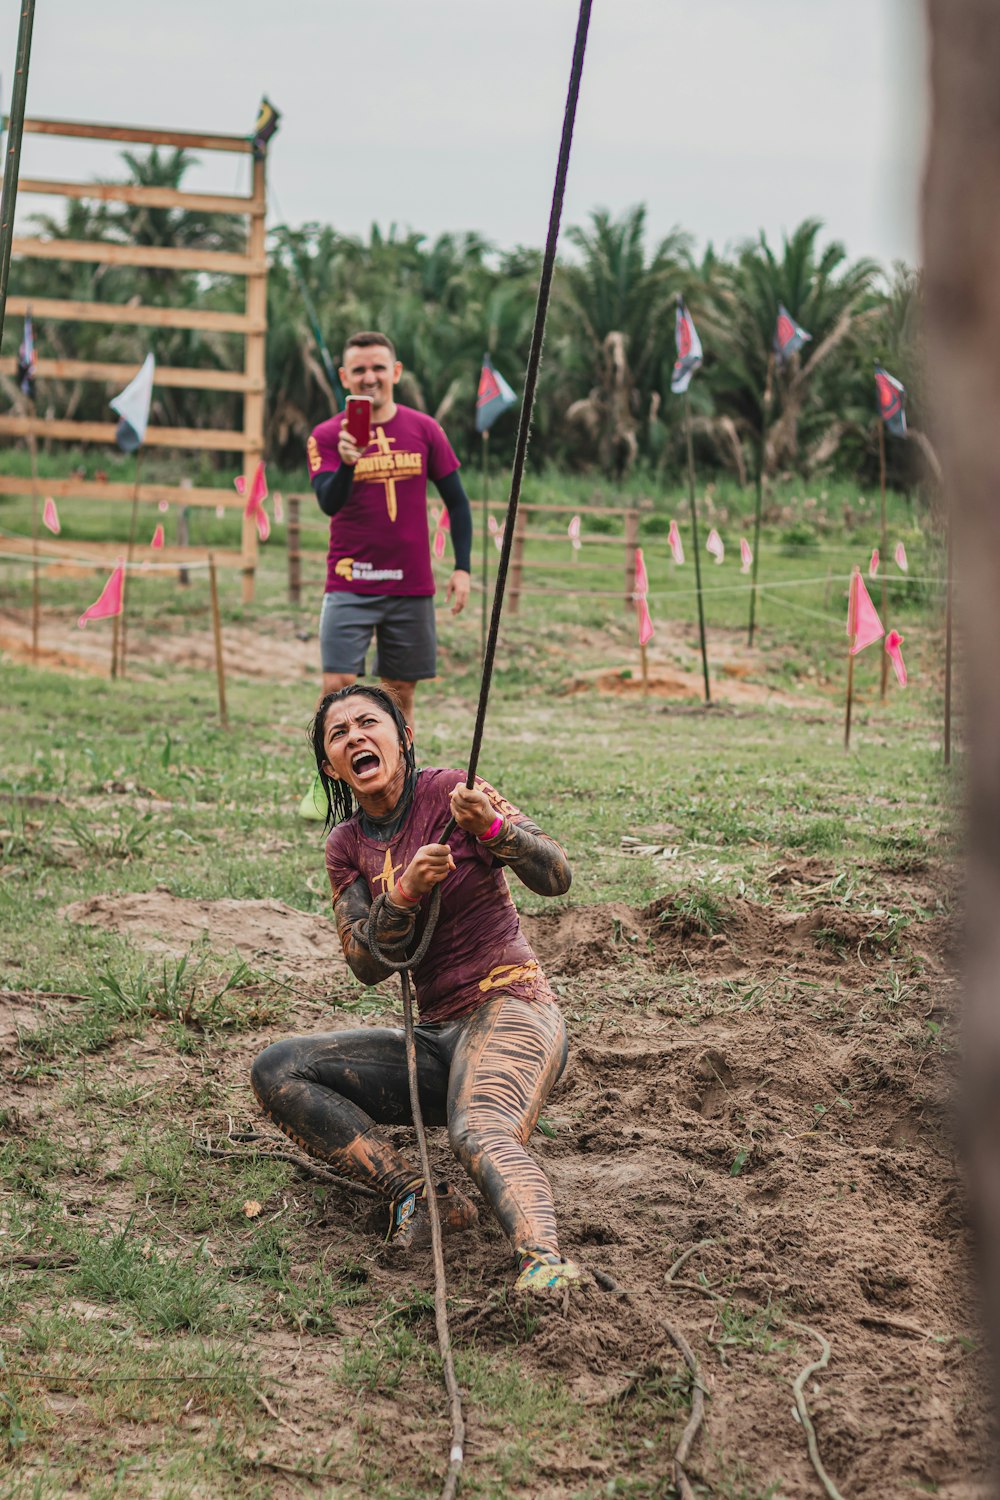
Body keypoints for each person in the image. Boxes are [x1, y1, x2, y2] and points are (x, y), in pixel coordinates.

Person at [254, 684, 580, 1293]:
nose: (354, 736)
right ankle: (419, 1194)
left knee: (478, 1129)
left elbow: (557, 875)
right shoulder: (345, 846)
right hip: (436, 1039)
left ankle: (544, 1262)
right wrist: (401, 895)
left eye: (367, 723)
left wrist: (494, 830)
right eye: (338, 733)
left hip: (512, 1006)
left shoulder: (453, 790)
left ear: (402, 736)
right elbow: (365, 963)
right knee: (279, 1069)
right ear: (331, 766)